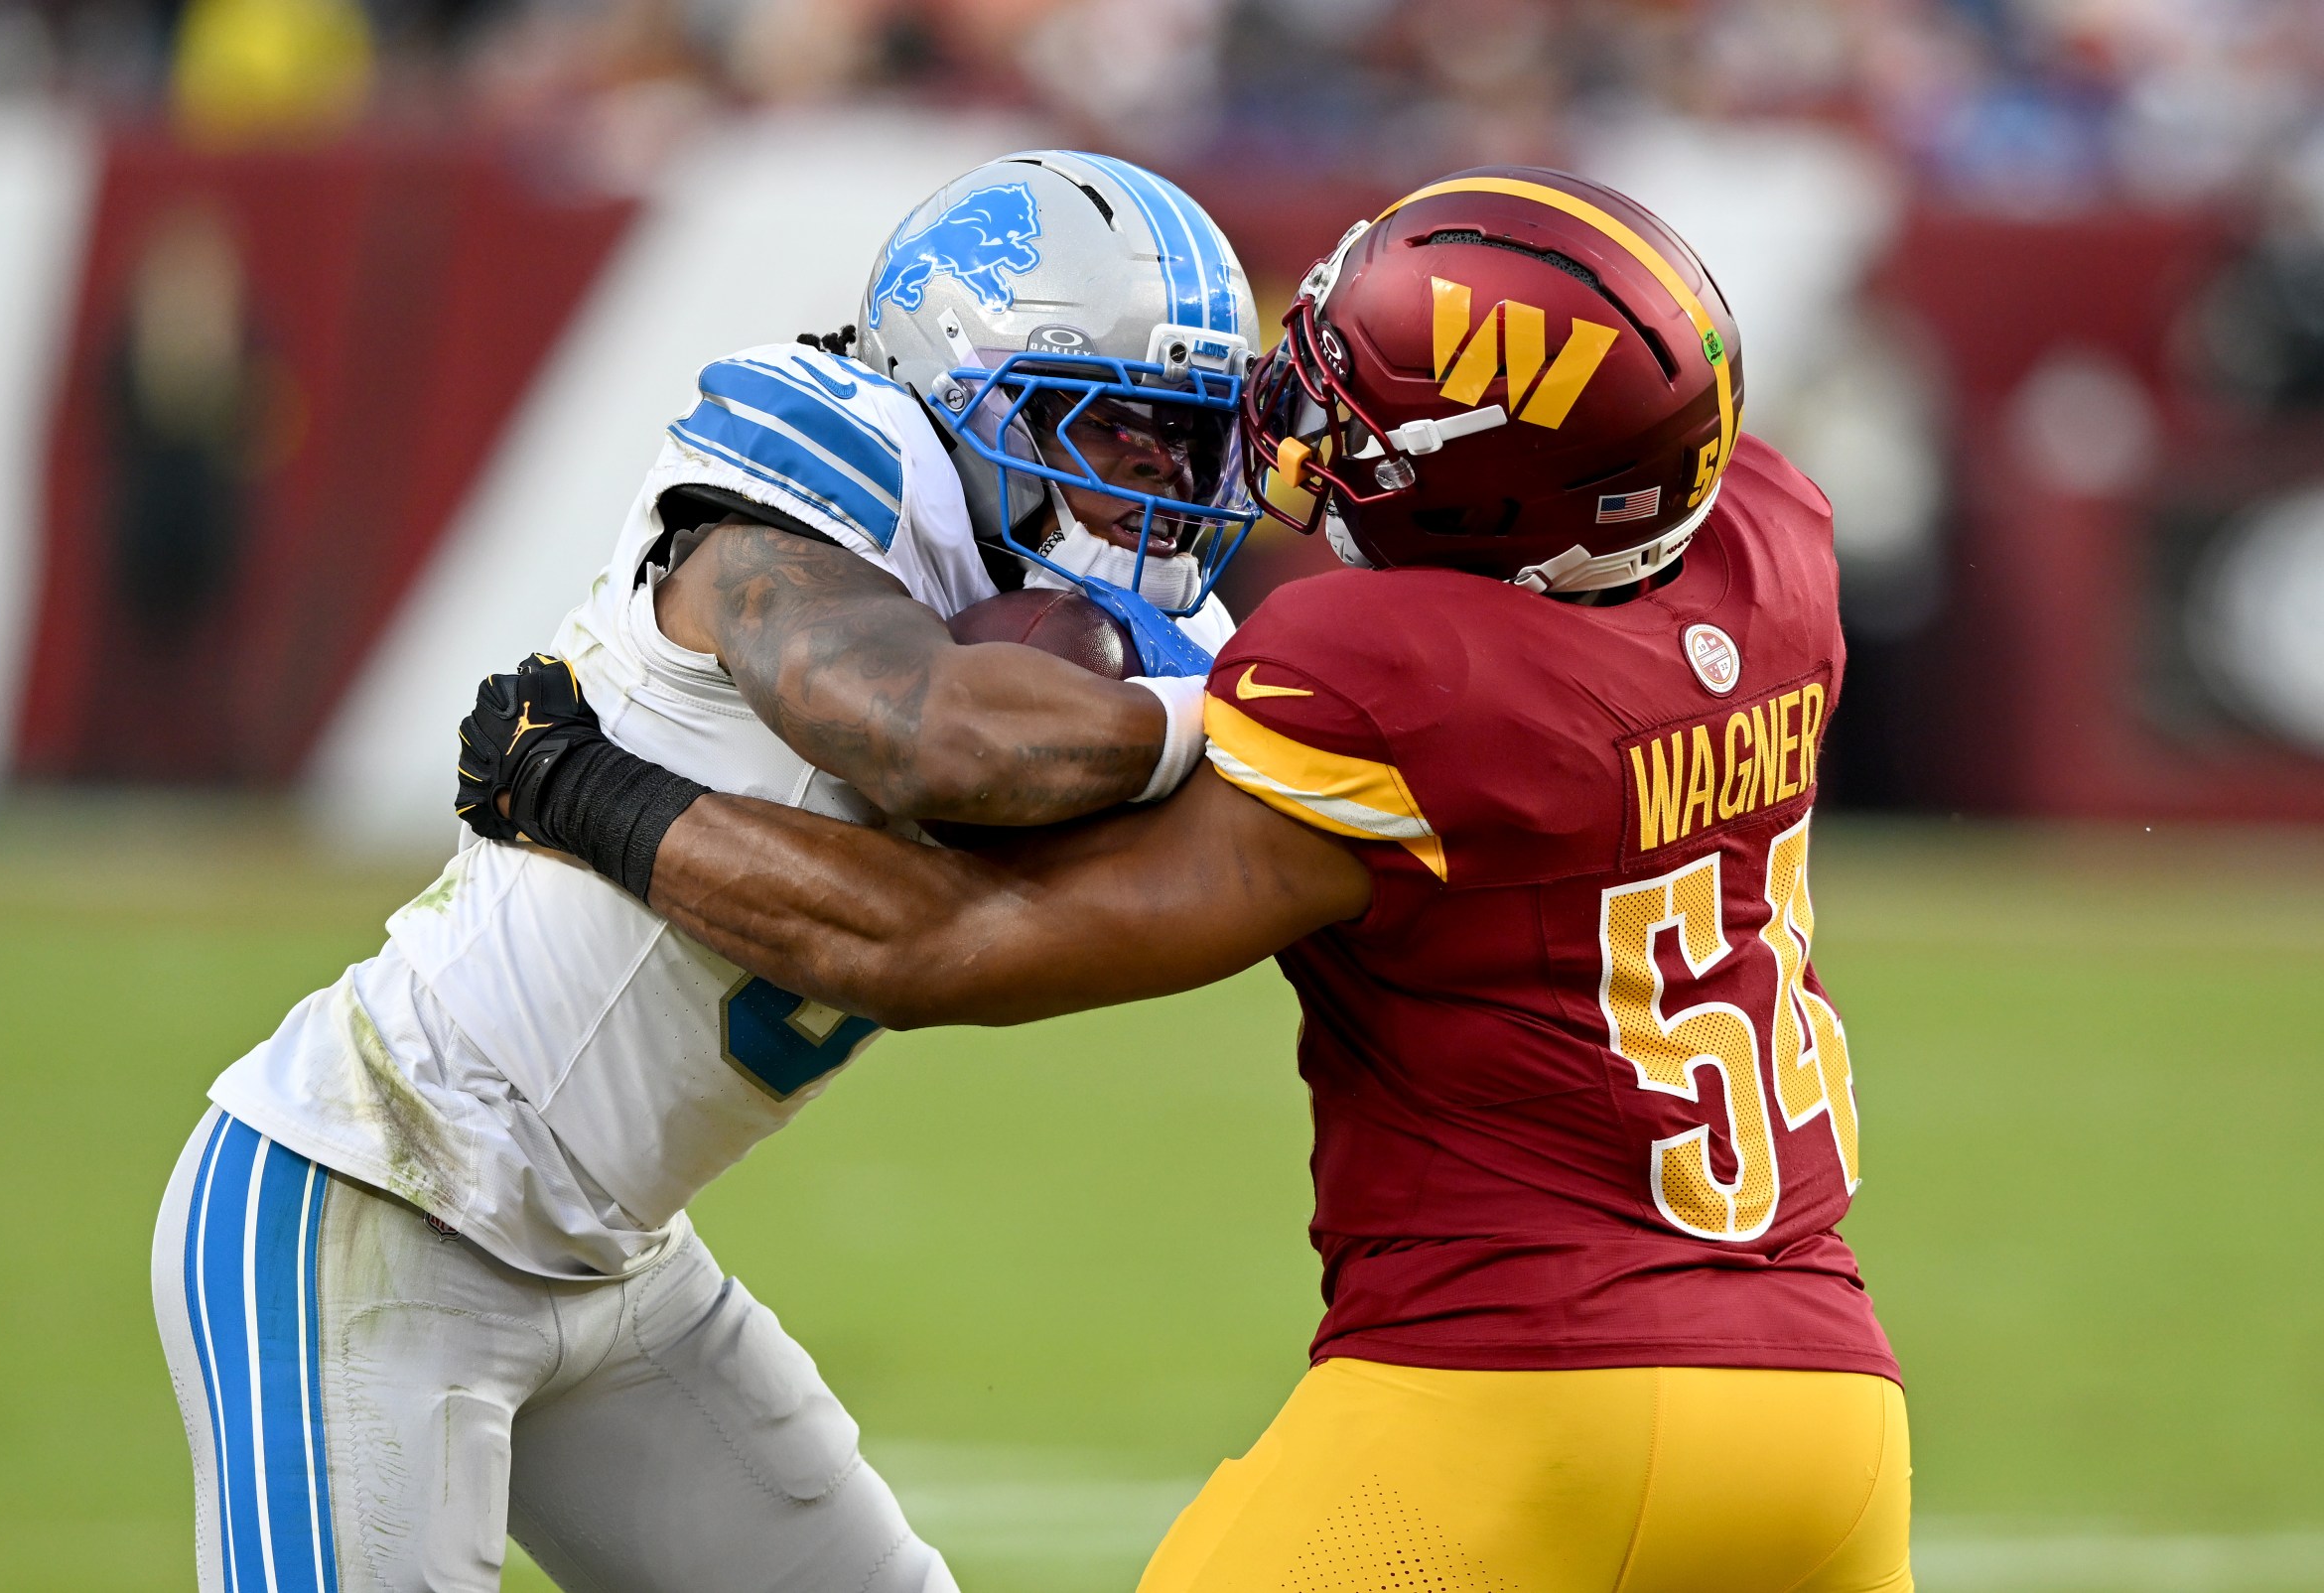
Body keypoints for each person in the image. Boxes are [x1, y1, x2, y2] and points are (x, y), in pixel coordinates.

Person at [462, 168, 1911, 1591]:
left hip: (1514, 1391)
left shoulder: (1391, 677)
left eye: (1369, 410)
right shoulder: (1768, 551)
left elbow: (951, 942)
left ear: (1481, 489)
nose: (1316, 420)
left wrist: (577, 786)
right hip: (1829, 1418)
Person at [150, 150, 1262, 1593]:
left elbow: (962, 937)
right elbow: (936, 741)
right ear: (967, 379)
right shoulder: (820, 485)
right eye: (1120, 431)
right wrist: (1250, 719)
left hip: (614, 1260)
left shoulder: (1150, 640)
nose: (1159, 488)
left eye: (1188, 441)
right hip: (371, 1196)